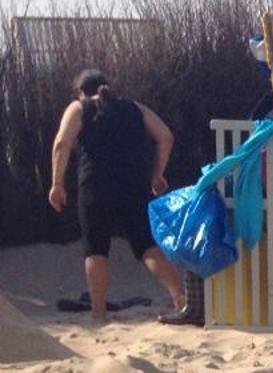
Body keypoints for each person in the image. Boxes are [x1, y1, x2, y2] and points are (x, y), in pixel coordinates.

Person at [47, 69, 193, 325]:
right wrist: (157, 175)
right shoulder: (133, 107)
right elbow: (165, 137)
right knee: (145, 245)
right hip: (133, 185)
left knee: (96, 248)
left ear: (81, 92)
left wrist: (57, 184)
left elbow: (61, 143)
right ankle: (181, 297)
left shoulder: (78, 108)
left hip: (95, 186)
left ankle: (99, 313)